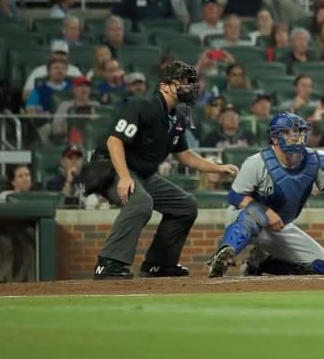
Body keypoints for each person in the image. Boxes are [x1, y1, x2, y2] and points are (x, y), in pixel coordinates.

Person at [90, 61, 238, 279]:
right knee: (141, 202)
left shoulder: (176, 117)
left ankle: (158, 264)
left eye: (190, 82)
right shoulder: (142, 106)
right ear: (164, 86)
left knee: (185, 205)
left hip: (138, 172)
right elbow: (114, 141)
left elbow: (185, 155)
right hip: (107, 167)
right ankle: (108, 263)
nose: (189, 86)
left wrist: (217, 167)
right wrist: (123, 177)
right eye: (184, 82)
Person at [205, 113, 324, 276]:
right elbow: (235, 197)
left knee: (322, 266)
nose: (294, 136)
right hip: (243, 216)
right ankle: (224, 252)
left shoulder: (314, 160)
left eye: (298, 131)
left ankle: (258, 264)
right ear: (274, 138)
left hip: (279, 226)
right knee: (253, 217)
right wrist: (265, 211)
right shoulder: (257, 162)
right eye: (287, 132)